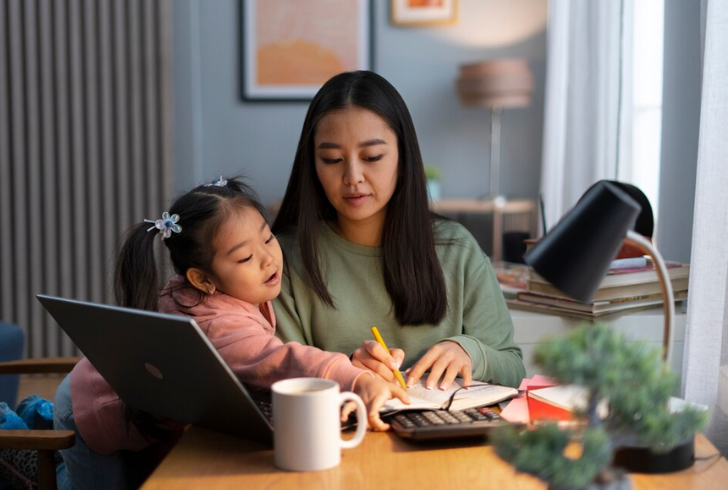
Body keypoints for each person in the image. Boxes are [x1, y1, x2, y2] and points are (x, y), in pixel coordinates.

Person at [54, 176, 407, 490]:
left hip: (147, 407)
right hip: (91, 410)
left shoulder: (221, 291)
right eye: (244, 258)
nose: (269, 259)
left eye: (268, 239)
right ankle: (26, 456)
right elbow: (278, 359)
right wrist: (356, 380)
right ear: (202, 279)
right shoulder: (215, 324)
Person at [272, 71, 526, 392]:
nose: (353, 176)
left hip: (443, 437)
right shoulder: (283, 260)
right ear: (313, 164)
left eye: (372, 157)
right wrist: (346, 373)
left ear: (403, 158)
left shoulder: (456, 249)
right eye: (332, 159)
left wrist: (472, 353)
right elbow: (279, 379)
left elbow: (513, 369)